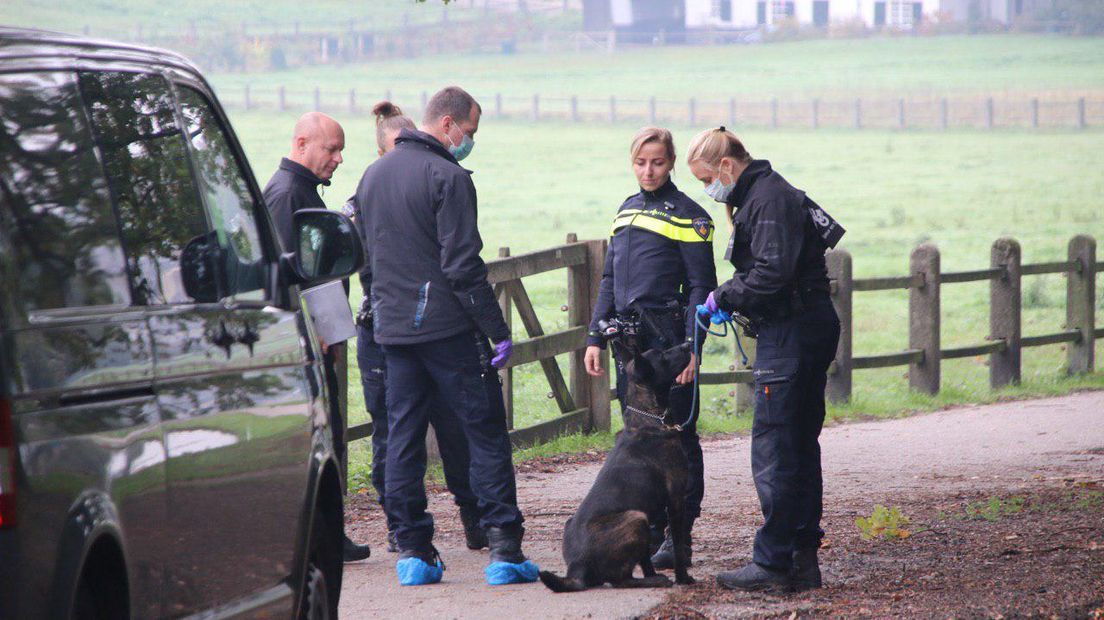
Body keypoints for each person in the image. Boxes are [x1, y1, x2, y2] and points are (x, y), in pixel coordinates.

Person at [354, 86, 538, 586]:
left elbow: (367, 263)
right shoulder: (449, 177)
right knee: (484, 433)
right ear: (449, 124)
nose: (469, 141)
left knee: (403, 437)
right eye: (470, 132)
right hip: (446, 330)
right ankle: (504, 546)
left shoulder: (372, 177)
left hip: (393, 334)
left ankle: (413, 550)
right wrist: (496, 330)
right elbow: (462, 267)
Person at [687, 127, 844, 592]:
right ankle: (801, 559)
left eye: (706, 180)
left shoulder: (768, 200)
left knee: (776, 448)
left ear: (727, 168)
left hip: (791, 332)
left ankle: (774, 562)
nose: (707, 190)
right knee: (797, 445)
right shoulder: (767, 193)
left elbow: (772, 272)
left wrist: (724, 295)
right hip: (805, 326)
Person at [351, 101, 486, 554]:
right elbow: (369, 267)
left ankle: (467, 520)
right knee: (394, 432)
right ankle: (402, 528)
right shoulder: (369, 191)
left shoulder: (411, 179)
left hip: (413, 323)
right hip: (391, 327)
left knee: (448, 431)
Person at [583, 127, 717, 570]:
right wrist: (594, 338)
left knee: (678, 441)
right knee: (639, 444)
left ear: (671, 162)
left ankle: (680, 540)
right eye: (641, 162)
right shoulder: (626, 211)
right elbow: (608, 281)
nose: (648, 170)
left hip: (670, 346)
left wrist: (693, 349)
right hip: (632, 350)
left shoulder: (690, 215)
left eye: (657, 162)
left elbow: (702, 285)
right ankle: (650, 530)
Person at [261, 111, 372, 563]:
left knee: (328, 437)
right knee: (316, 440)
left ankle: (326, 533)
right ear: (302, 143)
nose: (340, 158)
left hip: (319, 336)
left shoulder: (302, 191)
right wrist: (314, 329)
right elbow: (289, 276)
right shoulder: (286, 195)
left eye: (341, 149)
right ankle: (316, 537)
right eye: (332, 149)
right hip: (303, 343)